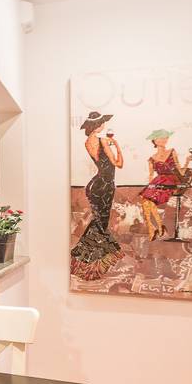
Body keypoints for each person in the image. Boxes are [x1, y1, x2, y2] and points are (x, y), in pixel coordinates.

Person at [70, 111, 124, 280]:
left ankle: (84, 262)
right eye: (102, 123)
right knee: (100, 225)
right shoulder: (103, 141)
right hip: (105, 185)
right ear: (98, 125)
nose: (104, 125)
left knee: (98, 223)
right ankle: (90, 265)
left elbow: (100, 161)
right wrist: (117, 145)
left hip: (95, 185)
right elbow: (118, 164)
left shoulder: (88, 142)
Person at [139, 129, 192, 241]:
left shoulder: (171, 152)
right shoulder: (151, 159)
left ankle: (156, 228)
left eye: (165, 137)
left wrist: (187, 161)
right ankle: (155, 227)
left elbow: (180, 171)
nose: (164, 139)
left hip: (171, 181)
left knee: (148, 200)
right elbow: (151, 175)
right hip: (158, 182)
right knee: (145, 200)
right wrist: (150, 186)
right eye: (161, 137)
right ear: (154, 141)